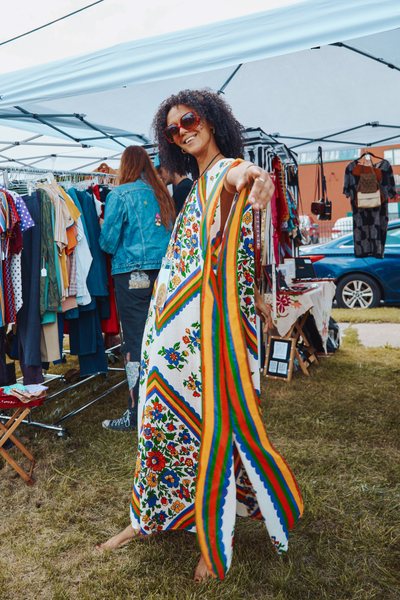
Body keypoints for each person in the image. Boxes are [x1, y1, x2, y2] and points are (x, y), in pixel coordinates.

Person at [97, 90, 303, 580]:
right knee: (156, 422)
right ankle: (146, 517)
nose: (183, 130)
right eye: (172, 128)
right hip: (168, 330)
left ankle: (212, 536)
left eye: (189, 119)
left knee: (208, 426)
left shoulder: (223, 171)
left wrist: (258, 178)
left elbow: (242, 175)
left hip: (205, 338)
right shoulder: (193, 181)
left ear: (210, 119)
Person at [99, 146, 175, 431]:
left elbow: (107, 242)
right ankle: (167, 404)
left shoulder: (120, 194)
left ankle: (136, 413)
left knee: (134, 342)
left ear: (126, 165)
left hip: (132, 275)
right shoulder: (162, 194)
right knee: (163, 336)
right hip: (164, 275)